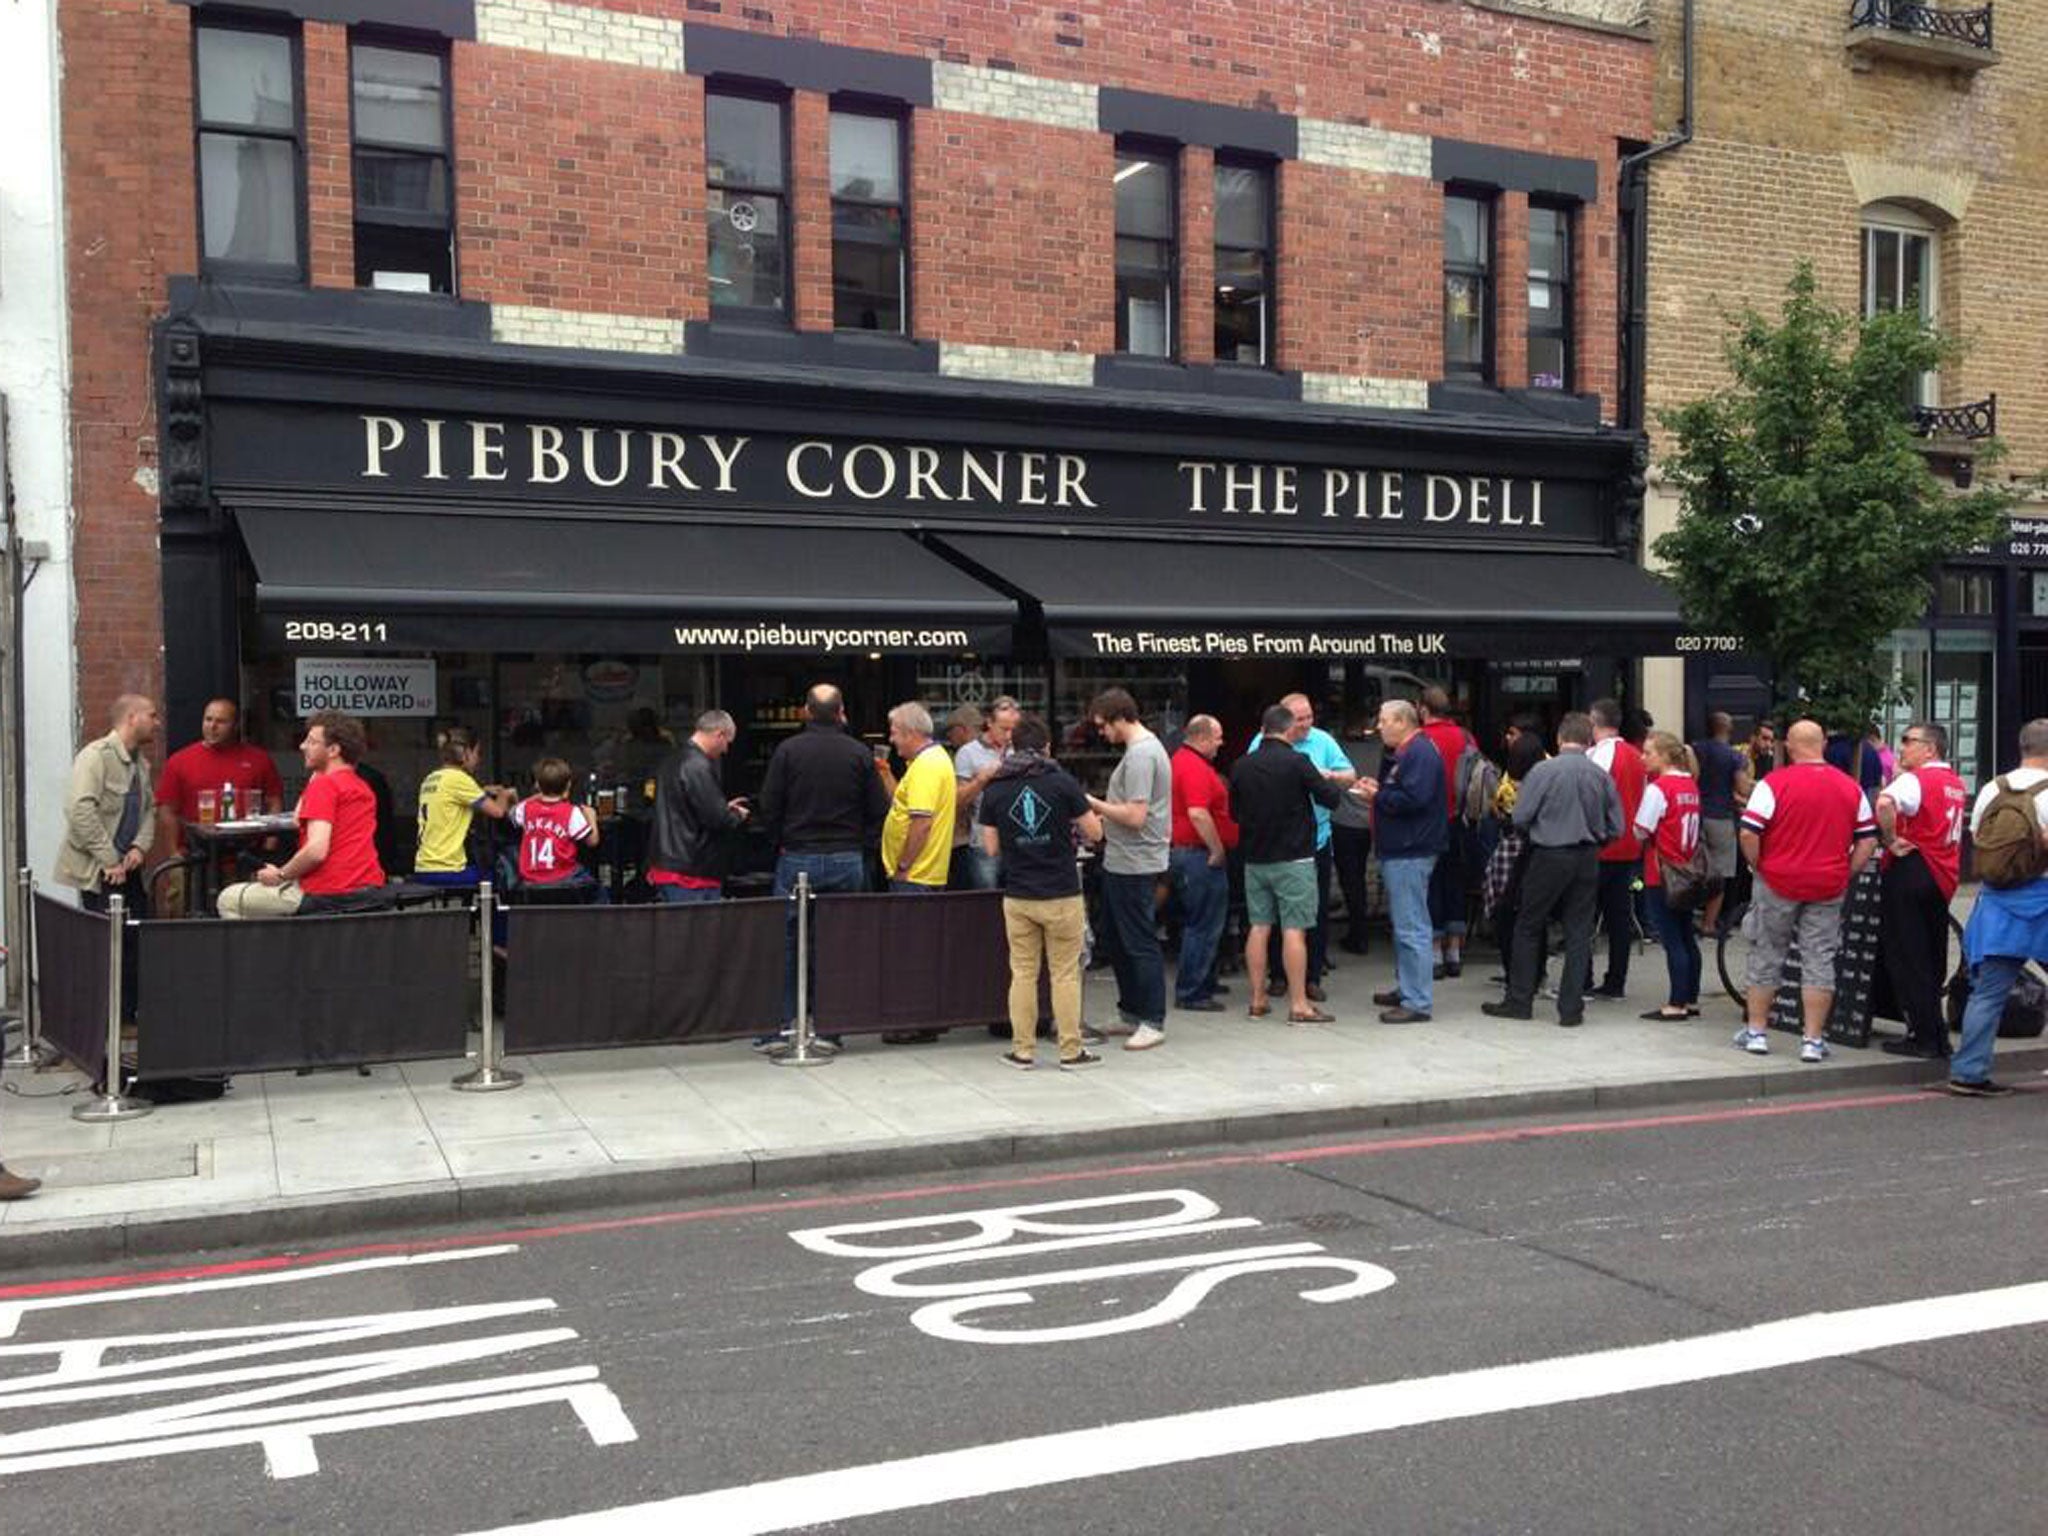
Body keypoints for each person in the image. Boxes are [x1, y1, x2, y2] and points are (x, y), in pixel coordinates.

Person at [1734, 718, 1879, 1063]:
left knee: (1767, 952)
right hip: (1828, 883)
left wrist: (1759, 866)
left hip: (1778, 880)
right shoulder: (1849, 787)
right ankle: (1812, 1040)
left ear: (1788, 746)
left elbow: (1748, 832)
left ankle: (1756, 1032)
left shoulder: (1774, 784)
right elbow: (1868, 839)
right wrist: (1847, 871)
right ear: (1823, 745)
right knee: (1819, 959)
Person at [757, 684, 891, 1050]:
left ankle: (782, 1023)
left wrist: (779, 840)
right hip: (846, 856)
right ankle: (833, 1026)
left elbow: (769, 804)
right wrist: (861, 844)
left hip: (797, 854)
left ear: (805, 711)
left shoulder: (788, 751)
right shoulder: (858, 754)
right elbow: (879, 808)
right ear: (841, 711)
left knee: (786, 941)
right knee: (839, 943)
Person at [979, 716, 1104, 1070]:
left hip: (1019, 894)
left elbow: (990, 849)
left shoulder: (996, 788)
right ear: (1047, 746)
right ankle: (1070, 1050)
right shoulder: (1062, 782)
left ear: (1012, 747)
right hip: (1062, 891)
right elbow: (1094, 833)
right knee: (1064, 974)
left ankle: (1022, 1051)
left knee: (1022, 973)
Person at [1482, 712, 1622, 1028]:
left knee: (1528, 924)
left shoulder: (1544, 772)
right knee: (1578, 931)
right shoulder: (1600, 775)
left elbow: (1520, 817)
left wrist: (1537, 833)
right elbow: (1617, 826)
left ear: (1559, 739)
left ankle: (1519, 999)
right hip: (1587, 856)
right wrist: (1596, 843)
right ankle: (1571, 1008)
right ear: (1589, 741)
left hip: (1548, 853)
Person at [1230, 703, 1352, 1024]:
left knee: (1259, 927)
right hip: (1294, 857)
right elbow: (1332, 798)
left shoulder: (1241, 766)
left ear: (1263, 729)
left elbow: (1234, 814)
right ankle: (1299, 1004)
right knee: (1294, 930)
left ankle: (1257, 999)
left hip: (1255, 858)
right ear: (1287, 730)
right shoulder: (1298, 762)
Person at [1948, 719, 2048, 1097]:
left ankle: (1969, 1072)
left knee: (1988, 993)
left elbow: (1977, 838)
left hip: (1998, 901)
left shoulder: (1993, 787)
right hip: (2042, 897)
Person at [217, 711, 388, 916]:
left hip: (326, 891)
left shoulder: (325, 785)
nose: (302, 746)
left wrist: (280, 875)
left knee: (228, 899)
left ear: (333, 750)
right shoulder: (361, 787)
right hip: (365, 889)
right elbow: (300, 818)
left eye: (311, 742)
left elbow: (316, 851)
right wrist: (318, 770)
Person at [1874, 721, 1968, 1060]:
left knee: (1907, 955)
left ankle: (1924, 1036)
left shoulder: (1915, 779)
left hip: (1912, 866)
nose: (1901, 747)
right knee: (1932, 955)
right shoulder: (1955, 783)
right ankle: (1937, 1033)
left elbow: (1885, 803)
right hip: (1942, 875)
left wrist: (1888, 840)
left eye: (1908, 741)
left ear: (1930, 748)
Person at [1086, 688, 1173, 1051]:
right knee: (1120, 939)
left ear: (1119, 718)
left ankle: (1151, 1020)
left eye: (1103, 726)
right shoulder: (1144, 751)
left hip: (1136, 862)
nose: (1102, 734)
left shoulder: (1141, 756)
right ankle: (1131, 1013)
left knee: (1138, 941)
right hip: (1125, 859)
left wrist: (1092, 803)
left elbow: (1136, 816)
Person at [1356, 699, 1444, 1023]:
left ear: (1403, 722)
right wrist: (1379, 790)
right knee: (1405, 923)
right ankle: (1408, 986)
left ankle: (1417, 1000)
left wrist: (1377, 795)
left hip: (1410, 848)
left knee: (1411, 926)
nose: (1379, 726)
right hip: (1403, 847)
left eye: (1384, 720)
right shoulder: (1407, 753)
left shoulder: (1418, 753)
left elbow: (1415, 798)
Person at [154, 697, 286, 903]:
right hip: (194, 857)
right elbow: (167, 808)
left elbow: (273, 800)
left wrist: (269, 845)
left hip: (246, 857)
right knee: (185, 911)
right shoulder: (180, 761)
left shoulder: (258, 759)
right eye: (208, 720)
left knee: (245, 913)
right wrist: (173, 852)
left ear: (235, 726)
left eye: (221, 722)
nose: (212, 727)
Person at [1278, 693, 1356, 996]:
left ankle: (1312, 975)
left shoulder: (1322, 741)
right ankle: (1279, 975)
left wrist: (1329, 775)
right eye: (1300, 719)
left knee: (1317, 908)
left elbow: (1350, 777)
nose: (1307, 724)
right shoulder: (1265, 741)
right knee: (1277, 911)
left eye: (1309, 716)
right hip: (1280, 839)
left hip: (1317, 838)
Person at [56, 694, 160, 918]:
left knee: (137, 938)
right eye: (152, 716)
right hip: (102, 871)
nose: (157, 723)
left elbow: (150, 809)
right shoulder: (96, 757)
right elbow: (79, 810)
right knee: (106, 943)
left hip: (130, 869)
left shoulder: (141, 764)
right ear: (132, 718)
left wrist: (139, 847)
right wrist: (109, 859)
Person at [1169, 714, 1236, 1013]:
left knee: (1205, 921)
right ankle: (1192, 989)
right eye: (1218, 736)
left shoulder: (1185, 761)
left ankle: (1203, 979)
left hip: (1191, 851)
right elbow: (1198, 812)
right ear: (1202, 737)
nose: (1222, 743)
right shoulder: (1193, 767)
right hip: (1197, 853)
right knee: (1203, 923)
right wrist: (1216, 848)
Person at [1635, 732, 1703, 1022]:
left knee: (1672, 938)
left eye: (1648, 752)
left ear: (1664, 756)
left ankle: (1676, 1002)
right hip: (1687, 869)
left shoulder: (1659, 788)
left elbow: (1641, 829)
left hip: (1661, 871)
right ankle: (1690, 997)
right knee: (1687, 934)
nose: (1643, 757)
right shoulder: (1690, 784)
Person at [646, 711, 749, 903]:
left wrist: (720, 807)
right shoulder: (697, 765)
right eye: (727, 742)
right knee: (699, 931)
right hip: (691, 870)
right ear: (719, 734)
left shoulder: (672, 760)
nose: (726, 750)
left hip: (668, 862)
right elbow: (717, 819)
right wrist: (735, 814)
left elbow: (684, 806)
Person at [1586, 698, 1647, 1000]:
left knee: (1583, 913)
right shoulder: (1637, 757)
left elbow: (1590, 796)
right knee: (1619, 918)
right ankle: (1616, 980)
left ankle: (1583, 978)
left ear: (1594, 723)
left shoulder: (1598, 756)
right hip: (1629, 845)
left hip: (1600, 845)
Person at [1482, 729, 1549, 994]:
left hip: (1514, 846)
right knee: (1534, 916)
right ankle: (1535, 973)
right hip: (1541, 849)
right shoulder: (1549, 770)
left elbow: (1516, 814)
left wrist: (1501, 815)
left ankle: (1517, 976)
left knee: (1509, 914)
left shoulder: (1519, 780)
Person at [1417, 687, 1475, 978]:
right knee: (1455, 882)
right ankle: (1455, 949)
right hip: (1460, 820)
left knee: (1430, 884)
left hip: (1427, 821)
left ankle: (1436, 953)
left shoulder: (1420, 740)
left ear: (1422, 709)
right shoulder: (1465, 738)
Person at [413, 726, 515, 888]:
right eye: (477, 753)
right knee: (498, 876)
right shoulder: (460, 779)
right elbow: (498, 812)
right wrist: (506, 794)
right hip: (447, 869)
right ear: (466, 753)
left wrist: (482, 791)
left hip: (423, 867)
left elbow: (451, 799)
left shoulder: (431, 778)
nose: (479, 759)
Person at [881, 703, 955, 893]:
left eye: (894, 733)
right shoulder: (928, 760)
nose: (891, 739)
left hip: (915, 876)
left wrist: (903, 866)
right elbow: (902, 805)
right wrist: (885, 774)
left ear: (910, 733)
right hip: (920, 875)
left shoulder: (926, 766)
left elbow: (922, 823)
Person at [1688, 711, 1751, 937]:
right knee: (1721, 873)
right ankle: (1709, 923)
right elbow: (1742, 788)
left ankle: (1689, 916)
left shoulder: (1696, 749)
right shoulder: (1734, 757)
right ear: (1729, 728)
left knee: (1696, 869)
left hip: (1696, 813)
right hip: (1721, 817)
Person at [510, 757, 604, 897]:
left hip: (530, 880)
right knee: (598, 891)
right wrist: (591, 816)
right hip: (564, 879)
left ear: (538, 786)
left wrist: (538, 795)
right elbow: (592, 841)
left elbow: (512, 813)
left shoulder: (526, 809)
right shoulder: (571, 812)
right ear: (568, 786)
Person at [952, 696, 1018, 891]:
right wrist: (981, 780)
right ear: (989, 723)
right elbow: (957, 802)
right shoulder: (968, 753)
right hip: (983, 842)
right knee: (986, 903)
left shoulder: (1020, 748)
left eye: (1014, 729)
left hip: (1018, 841)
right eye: (1004, 729)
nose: (1009, 735)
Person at [1332, 711, 1379, 955]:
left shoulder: (1338, 750)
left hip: (1344, 821)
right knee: (1361, 877)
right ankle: (1363, 928)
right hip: (1371, 820)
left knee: (1350, 879)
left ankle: (1357, 932)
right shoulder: (1380, 750)